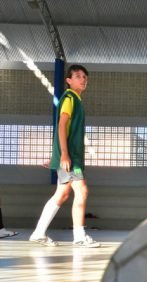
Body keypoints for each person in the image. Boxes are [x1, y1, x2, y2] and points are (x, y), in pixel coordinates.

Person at [30, 64, 100, 248]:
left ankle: (38, 233)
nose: (83, 79)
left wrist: (57, 156)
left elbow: (66, 130)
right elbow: (61, 125)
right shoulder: (69, 98)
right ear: (69, 80)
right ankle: (79, 237)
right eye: (78, 76)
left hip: (70, 156)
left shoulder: (76, 100)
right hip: (71, 158)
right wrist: (64, 155)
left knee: (61, 194)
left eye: (85, 77)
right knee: (82, 191)